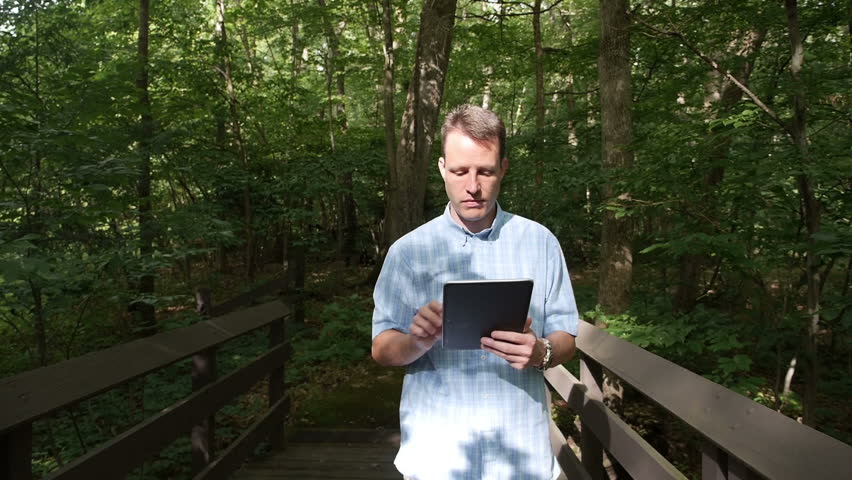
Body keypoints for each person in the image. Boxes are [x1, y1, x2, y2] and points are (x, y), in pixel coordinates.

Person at [372, 104, 579, 480]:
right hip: (437, 454)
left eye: (485, 171)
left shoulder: (541, 243)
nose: (472, 186)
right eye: (459, 171)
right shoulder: (407, 252)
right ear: (441, 169)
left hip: (521, 453)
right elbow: (382, 349)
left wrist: (540, 352)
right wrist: (416, 342)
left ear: (503, 169)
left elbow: (567, 336)